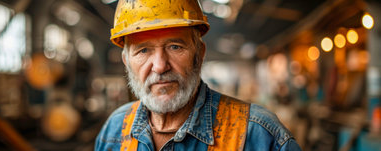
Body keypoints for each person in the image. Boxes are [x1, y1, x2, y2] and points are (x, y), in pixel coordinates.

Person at [95, 0, 302, 150]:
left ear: (200, 54)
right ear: (126, 62)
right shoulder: (114, 130)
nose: (159, 66)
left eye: (175, 47)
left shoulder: (259, 136)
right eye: (143, 50)